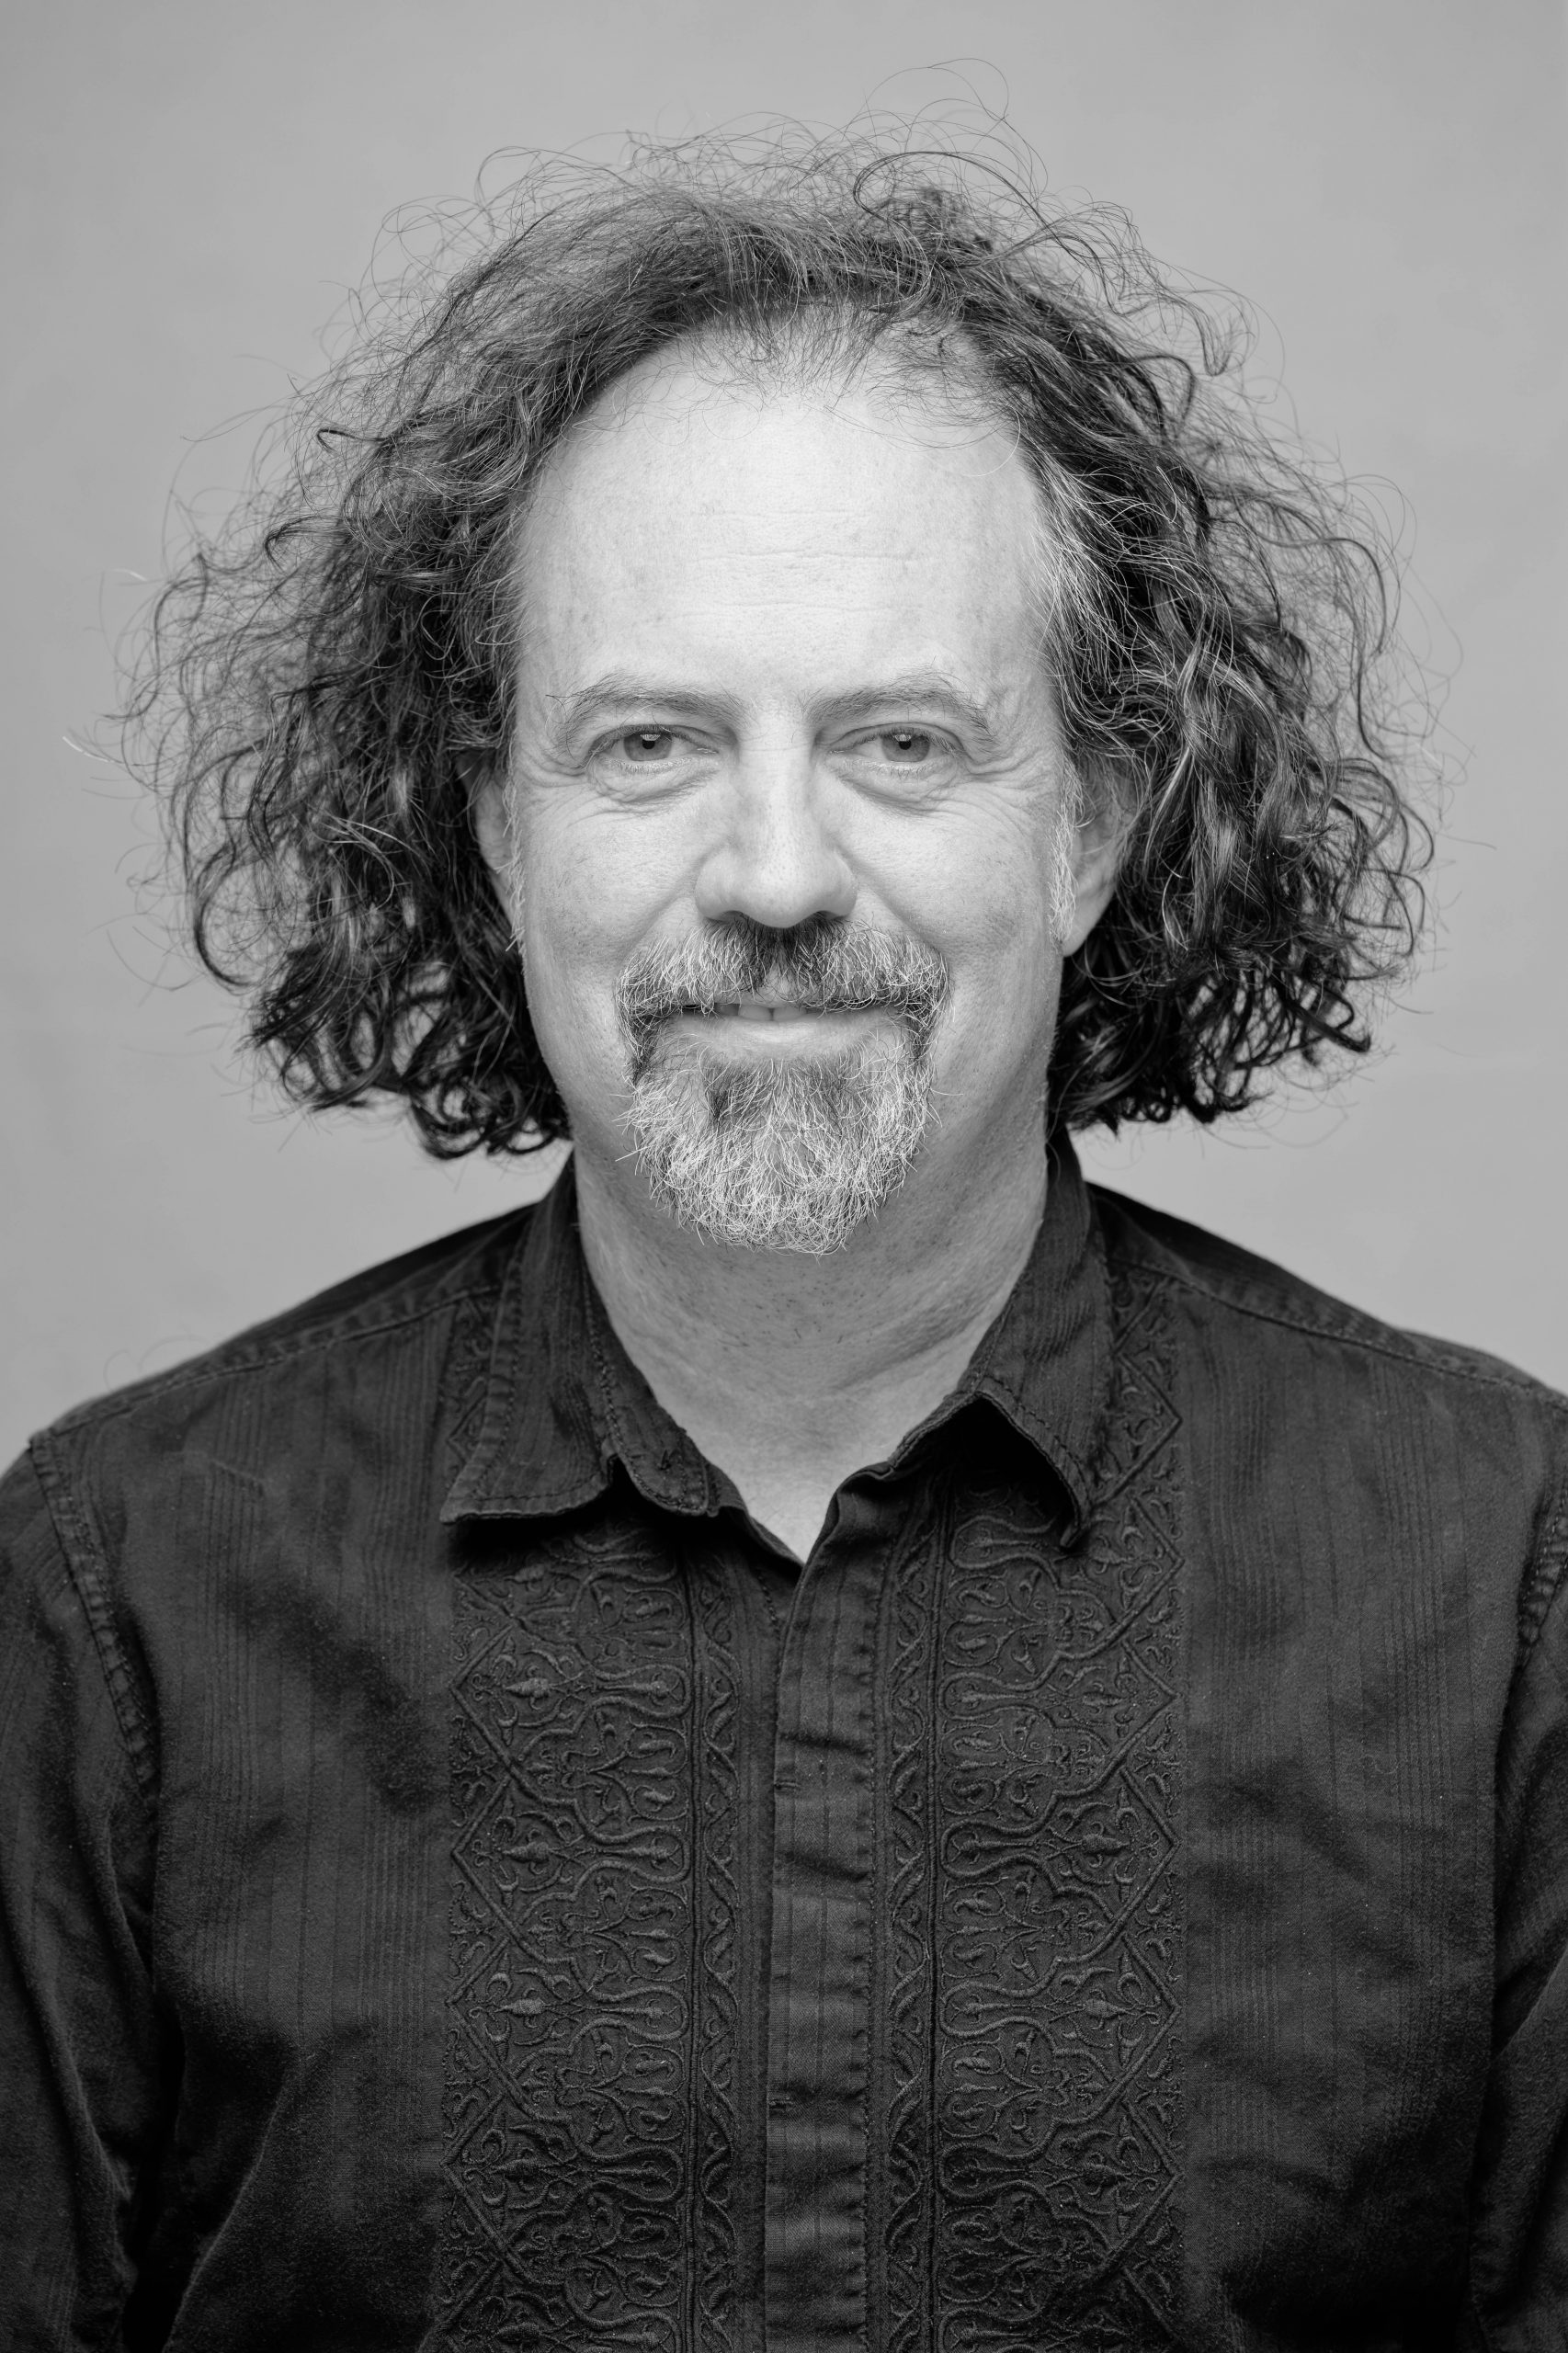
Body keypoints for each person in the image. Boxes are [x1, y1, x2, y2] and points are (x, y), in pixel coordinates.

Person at [2, 127, 1562, 2352]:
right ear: (495, 828)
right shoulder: (114, 1591)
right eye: (648, 741)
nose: (770, 872)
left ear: (1095, 825)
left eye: (899, 741)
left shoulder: (1499, 1580)